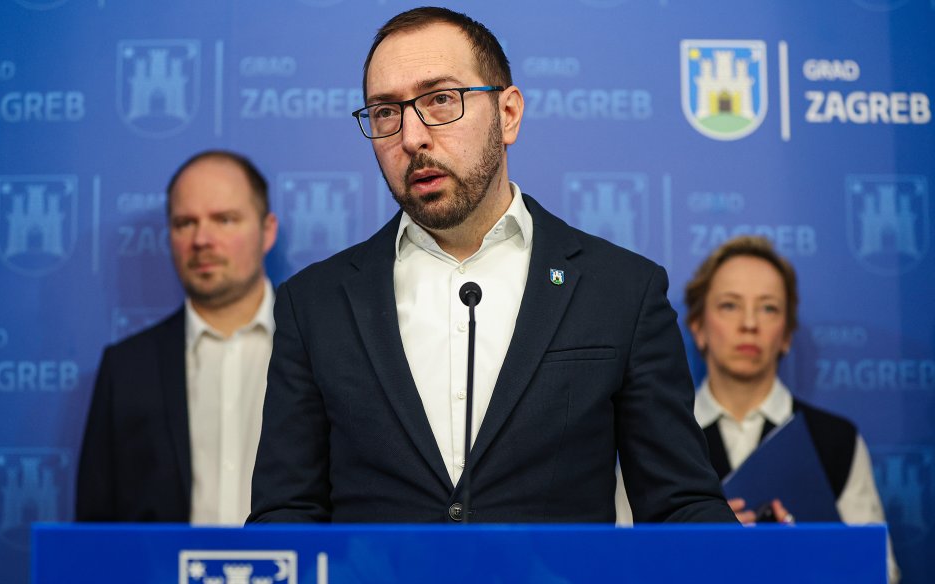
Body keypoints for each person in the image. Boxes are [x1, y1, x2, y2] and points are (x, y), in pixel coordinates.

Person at [248, 7, 735, 524]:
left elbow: (680, 506)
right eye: (386, 111)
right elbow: (286, 516)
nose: (411, 137)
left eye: (440, 99)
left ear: (508, 114)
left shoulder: (620, 290)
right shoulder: (315, 304)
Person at [616, 235, 900, 584]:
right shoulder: (651, 434)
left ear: (787, 333)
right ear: (698, 327)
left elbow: (884, 578)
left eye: (768, 308)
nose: (749, 323)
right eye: (730, 305)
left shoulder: (836, 440)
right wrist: (708, 536)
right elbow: (619, 565)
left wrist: (806, 551)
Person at [77, 150, 279, 524]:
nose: (201, 239)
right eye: (185, 223)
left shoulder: (321, 347)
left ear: (267, 231)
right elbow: (95, 529)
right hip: (162, 566)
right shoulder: (126, 368)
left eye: (224, 219)